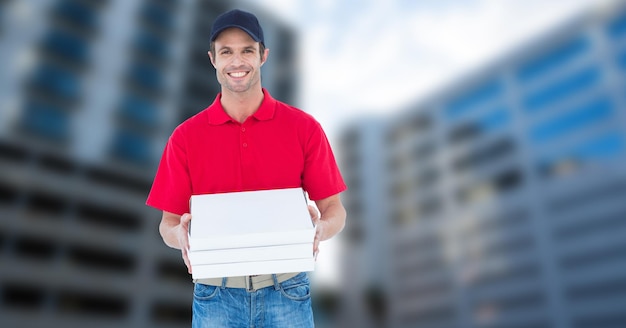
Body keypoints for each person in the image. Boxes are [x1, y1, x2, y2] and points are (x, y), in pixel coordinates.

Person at [146, 9, 347, 327]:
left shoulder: (304, 128)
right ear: (212, 59)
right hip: (215, 296)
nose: (237, 61)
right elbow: (167, 224)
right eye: (226, 51)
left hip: (288, 292)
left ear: (263, 56)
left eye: (247, 50)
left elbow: (334, 210)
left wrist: (320, 229)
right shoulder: (185, 138)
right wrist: (180, 236)